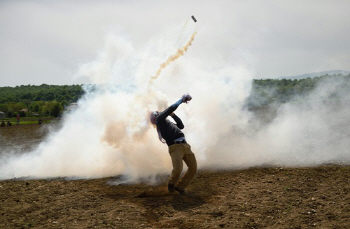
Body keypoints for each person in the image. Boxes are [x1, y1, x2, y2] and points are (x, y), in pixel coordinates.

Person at [150, 94, 197, 195]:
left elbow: (181, 125)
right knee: (178, 169)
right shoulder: (159, 120)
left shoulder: (168, 124)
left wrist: (173, 115)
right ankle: (171, 184)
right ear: (156, 117)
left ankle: (180, 187)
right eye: (157, 113)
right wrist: (181, 100)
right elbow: (171, 108)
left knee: (193, 168)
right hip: (175, 147)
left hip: (185, 145)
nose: (159, 113)